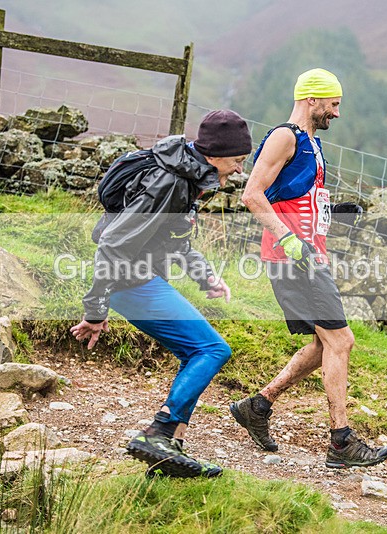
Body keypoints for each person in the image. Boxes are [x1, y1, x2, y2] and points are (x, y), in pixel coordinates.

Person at [70, 110, 252, 478]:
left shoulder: (186, 176)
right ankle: (160, 433)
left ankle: (170, 452)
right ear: (215, 155)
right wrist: (95, 310)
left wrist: (207, 278)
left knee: (195, 352)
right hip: (130, 282)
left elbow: (177, 243)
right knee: (211, 349)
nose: (238, 170)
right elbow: (112, 244)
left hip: (142, 278)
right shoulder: (169, 182)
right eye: (237, 161)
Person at [231, 68, 387, 469]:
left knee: (325, 344)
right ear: (312, 100)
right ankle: (340, 442)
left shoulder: (311, 143)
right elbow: (253, 194)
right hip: (292, 259)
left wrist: (332, 211)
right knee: (341, 342)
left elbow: (291, 197)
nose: (337, 113)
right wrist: (288, 239)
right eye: (333, 104)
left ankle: (258, 405)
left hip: (307, 255)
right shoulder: (285, 136)